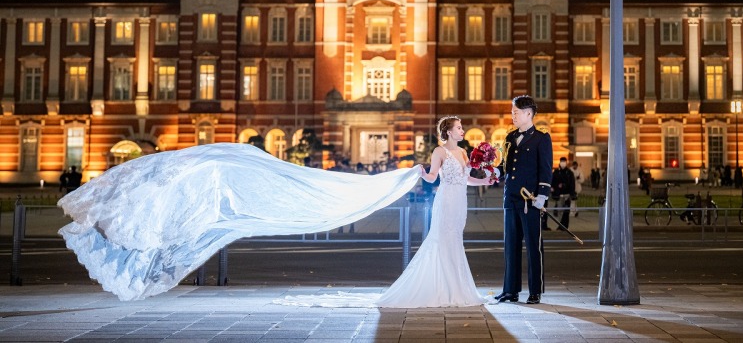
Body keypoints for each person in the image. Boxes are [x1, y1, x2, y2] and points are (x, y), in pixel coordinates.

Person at [58, 143, 424, 301]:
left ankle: (118, 250)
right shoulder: (232, 164)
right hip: (194, 202)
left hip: (191, 203)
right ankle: (118, 249)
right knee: (166, 237)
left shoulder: (229, 161)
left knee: (166, 237)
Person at [375, 116, 495, 307]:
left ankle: (457, 288)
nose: (462, 130)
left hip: (460, 202)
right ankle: (441, 288)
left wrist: (484, 181)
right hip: (446, 200)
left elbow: (467, 179)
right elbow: (432, 178)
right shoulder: (439, 151)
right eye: (459, 127)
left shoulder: (464, 152)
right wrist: (423, 173)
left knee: (455, 240)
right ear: (449, 132)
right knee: (443, 239)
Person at [495, 95, 553, 305]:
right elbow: (504, 167)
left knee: (533, 246)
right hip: (511, 199)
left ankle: (535, 291)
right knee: (510, 246)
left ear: (528, 114)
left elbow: (546, 169)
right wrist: (491, 171)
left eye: (516, 112)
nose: (513, 116)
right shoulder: (509, 138)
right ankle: (510, 290)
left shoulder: (541, 138)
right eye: (512, 112)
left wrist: (542, 195)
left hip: (530, 201)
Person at [551, 157, 575, 230]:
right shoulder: (556, 172)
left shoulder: (569, 173)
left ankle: (565, 226)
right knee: (560, 211)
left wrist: (571, 193)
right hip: (559, 194)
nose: (563, 163)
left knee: (566, 211)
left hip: (567, 194)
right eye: (562, 161)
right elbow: (552, 181)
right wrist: (553, 188)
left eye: (564, 161)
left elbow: (572, 184)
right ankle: (560, 225)